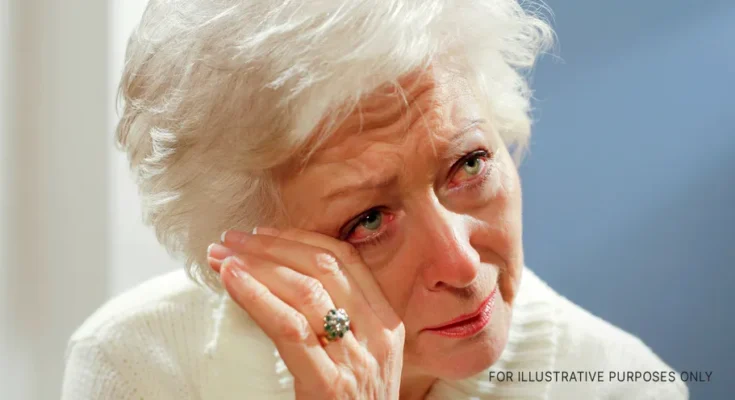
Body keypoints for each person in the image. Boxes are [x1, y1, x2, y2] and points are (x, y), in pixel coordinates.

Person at [61, 0, 689, 399]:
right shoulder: (139, 365)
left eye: (468, 164)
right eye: (367, 220)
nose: (462, 265)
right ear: (258, 255)